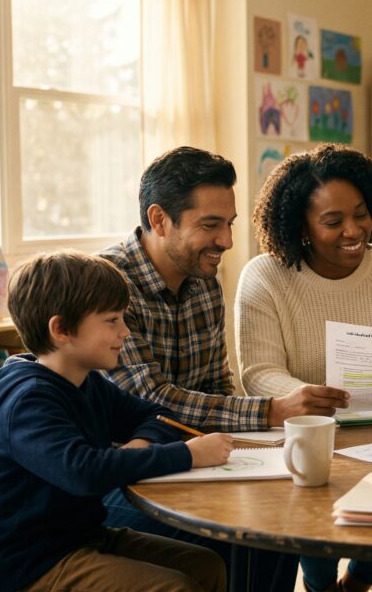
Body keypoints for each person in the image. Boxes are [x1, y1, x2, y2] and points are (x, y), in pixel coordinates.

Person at [236, 143, 372, 592]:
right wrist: (312, 398)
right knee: (314, 493)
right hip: (310, 433)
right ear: (301, 226)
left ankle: (357, 581)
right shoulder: (265, 276)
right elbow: (258, 373)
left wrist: (357, 389)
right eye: (333, 222)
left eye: (361, 214)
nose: (353, 230)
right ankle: (319, 587)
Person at [0, 250, 231, 592]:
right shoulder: (27, 401)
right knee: (175, 587)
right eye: (112, 320)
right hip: (33, 564)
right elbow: (83, 472)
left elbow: (159, 416)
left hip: (82, 538)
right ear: (61, 329)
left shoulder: (86, 381)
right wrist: (189, 454)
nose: (125, 331)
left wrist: (138, 447)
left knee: (206, 565)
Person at [99, 146, 298, 590]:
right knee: (241, 539)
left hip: (191, 461)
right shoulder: (106, 284)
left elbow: (215, 383)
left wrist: (259, 445)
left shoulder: (205, 278)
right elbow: (148, 397)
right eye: (210, 225)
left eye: (228, 224)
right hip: (118, 477)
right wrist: (268, 412)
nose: (226, 241)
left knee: (283, 520)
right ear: (159, 219)